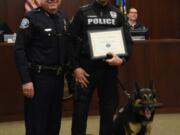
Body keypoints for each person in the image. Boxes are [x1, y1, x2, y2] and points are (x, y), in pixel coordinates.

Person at [68, 0, 133, 135]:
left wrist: (122, 60)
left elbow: (128, 41)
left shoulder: (117, 13)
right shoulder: (83, 12)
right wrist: (75, 68)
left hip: (109, 70)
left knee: (108, 112)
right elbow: (70, 40)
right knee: (80, 111)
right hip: (85, 70)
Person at [14, 0, 69, 135]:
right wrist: (26, 80)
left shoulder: (63, 18)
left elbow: (69, 47)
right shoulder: (30, 18)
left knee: (54, 122)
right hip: (38, 79)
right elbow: (19, 50)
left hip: (58, 79)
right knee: (36, 124)